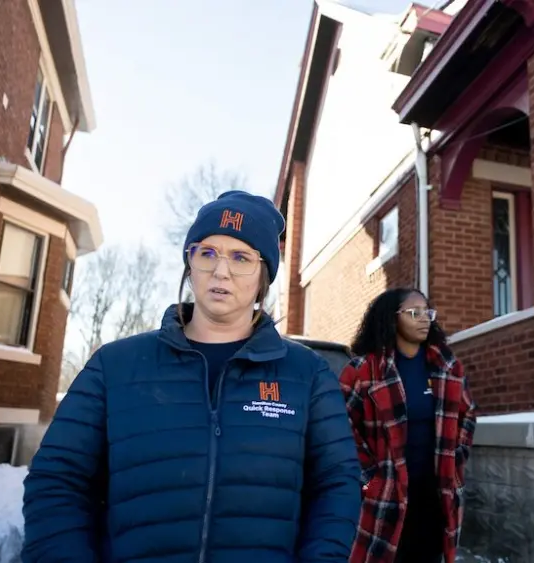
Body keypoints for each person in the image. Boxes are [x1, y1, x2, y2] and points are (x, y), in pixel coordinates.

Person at [22, 191, 362, 562]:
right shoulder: (115, 366)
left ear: (264, 276)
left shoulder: (308, 375)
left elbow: (336, 486)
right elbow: (57, 481)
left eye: (241, 257)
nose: (221, 270)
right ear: (190, 263)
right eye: (207, 253)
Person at [340, 288, 477, 563]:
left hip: (436, 493)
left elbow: (467, 414)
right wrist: (369, 479)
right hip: (386, 494)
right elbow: (342, 429)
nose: (424, 318)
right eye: (414, 313)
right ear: (391, 319)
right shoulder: (364, 371)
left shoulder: (447, 367)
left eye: (428, 312)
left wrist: (455, 457)